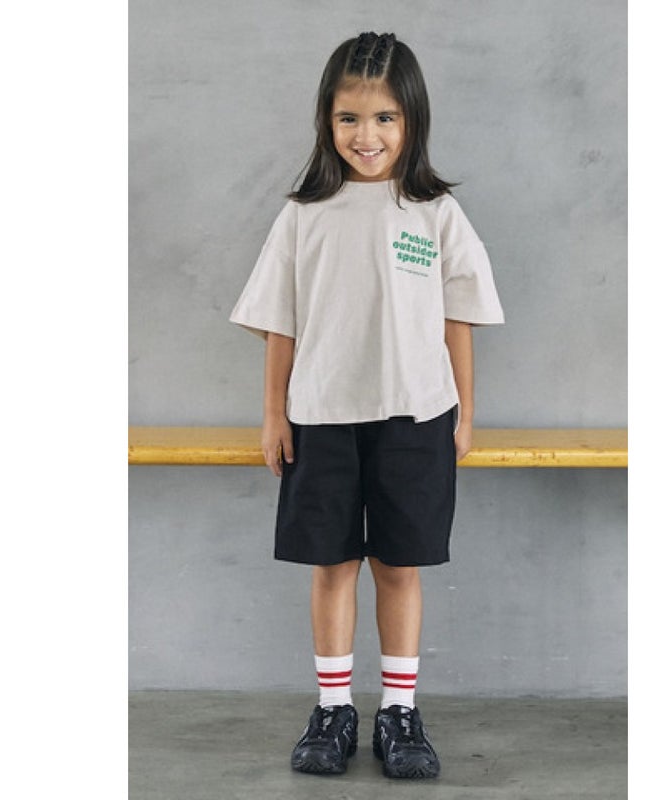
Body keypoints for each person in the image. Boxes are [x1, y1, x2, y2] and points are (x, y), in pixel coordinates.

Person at [230, 31, 504, 780]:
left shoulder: (434, 212)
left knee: (399, 565)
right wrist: (274, 413)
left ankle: (399, 713)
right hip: (321, 415)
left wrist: (464, 413)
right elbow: (280, 322)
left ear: (412, 120)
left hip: (416, 414)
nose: (367, 135)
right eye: (349, 117)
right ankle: (332, 708)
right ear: (327, 120)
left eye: (385, 117)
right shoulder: (304, 214)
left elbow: (457, 318)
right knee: (331, 565)